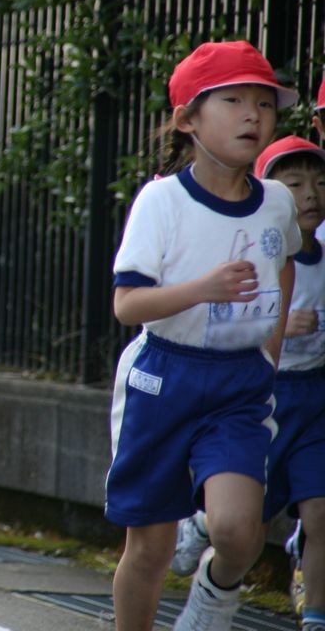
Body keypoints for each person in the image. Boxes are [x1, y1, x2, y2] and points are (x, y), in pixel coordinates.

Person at [106, 40, 301, 631]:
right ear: (188, 119)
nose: (253, 115)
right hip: (162, 377)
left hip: (239, 384)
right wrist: (202, 288)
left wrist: (270, 351)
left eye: (264, 103)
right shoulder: (161, 201)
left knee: (240, 532)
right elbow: (127, 303)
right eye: (234, 100)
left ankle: (212, 602)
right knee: (150, 548)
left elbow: (286, 262)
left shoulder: (277, 202)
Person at [168, 135, 325, 631]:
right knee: (244, 527)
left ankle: (316, 615)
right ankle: (199, 526)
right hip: (262, 394)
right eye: (294, 184)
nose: (310, 194)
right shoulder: (254, 252)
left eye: (321, 183)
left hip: (316, 399)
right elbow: (217, 319)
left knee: (320, 512)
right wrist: (279, 323)